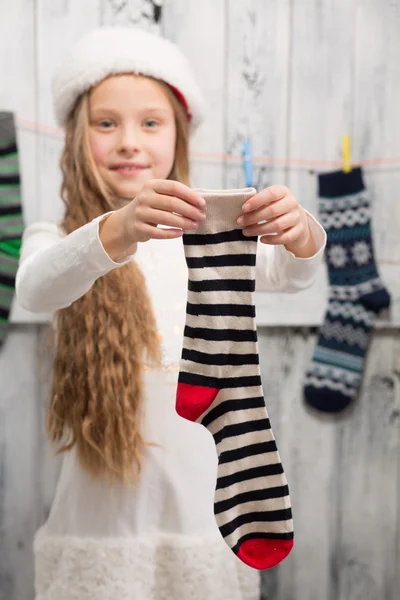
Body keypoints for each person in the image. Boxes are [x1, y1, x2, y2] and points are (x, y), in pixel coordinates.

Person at [16, 26, 326, 600]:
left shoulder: (205, 239)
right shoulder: (62, 236)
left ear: (179, 136)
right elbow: (36, 288)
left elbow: (288, 273)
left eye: (150, 123)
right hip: (100, 518)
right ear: (76, 140)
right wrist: (117, 229)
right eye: (106, 123)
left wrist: (300, 231)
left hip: (200, 514)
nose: (129, 142)